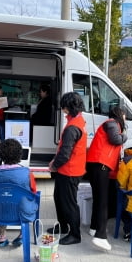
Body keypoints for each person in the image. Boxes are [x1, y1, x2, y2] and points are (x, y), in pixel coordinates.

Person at [47, 92, 87, 245]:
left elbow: (65, 153)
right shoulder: (78, 121)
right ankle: (63, 226)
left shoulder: (72, 127)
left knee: (69, 203)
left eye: (63, 107)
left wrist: (54, 165)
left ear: (68, 108)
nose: (62, 109)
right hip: (69, 169)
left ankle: (75, 234)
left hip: (70, 171)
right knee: (58, 198)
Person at [86, 106, 127, 251]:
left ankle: (94, 227)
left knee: (98, 199)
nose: (125, 119)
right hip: (100, 164)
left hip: (96, 165)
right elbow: (116, 139)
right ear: (120, 115)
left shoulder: (111, 124)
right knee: (103, 201)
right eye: (124, 116)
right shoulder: (112, 123)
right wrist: (125, 136)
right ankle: (101, 236)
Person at [0, 138, 37, 246]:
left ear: (1, 155)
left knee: (0, 202)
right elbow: (33, 192)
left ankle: (1, 237)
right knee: (26, 201)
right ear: (20, 155)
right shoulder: (27, 173)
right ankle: (22, 235)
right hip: (22, 213)